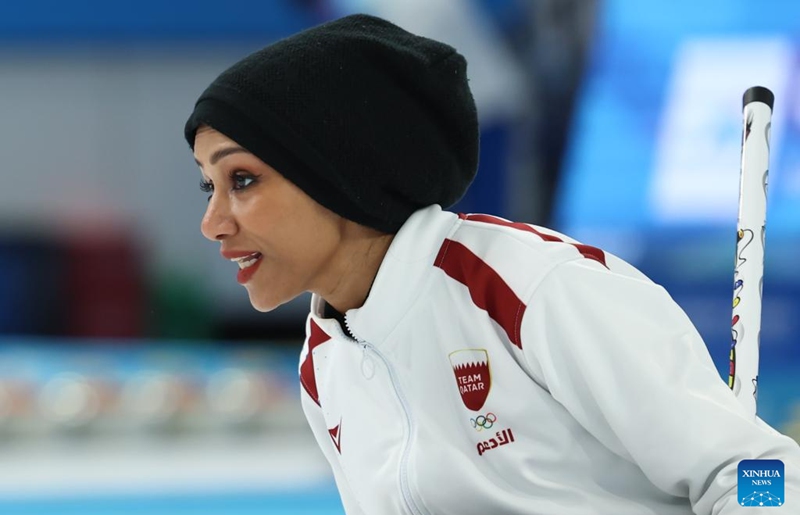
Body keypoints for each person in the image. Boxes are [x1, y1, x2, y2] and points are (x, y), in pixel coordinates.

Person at [184, 14, 800, 515]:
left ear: (339, 169)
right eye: (208, 186)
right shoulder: (325, 360)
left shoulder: (534, 290)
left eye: (242, 179)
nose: (214, 222)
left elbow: (760, 475)